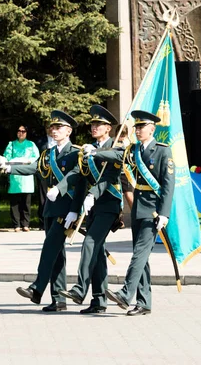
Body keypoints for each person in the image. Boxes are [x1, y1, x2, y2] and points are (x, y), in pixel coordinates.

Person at [87, 110, 175, 316]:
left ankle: (126, 293)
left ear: (152, 129)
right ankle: (144, 303)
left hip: (153, 211)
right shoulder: (133, 150)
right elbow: (117, 154)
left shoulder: (163, 151)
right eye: (136, 127)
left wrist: (164, 213)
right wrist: (95, 152)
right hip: (137, 209)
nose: (137, 130)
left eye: (141, 127)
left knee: (139, 254)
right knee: (141, 257)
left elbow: (168, 185)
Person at [0, 110, 86, 312]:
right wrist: (9, 167)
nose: (54, 131)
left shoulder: (76, 153)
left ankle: (37, 289)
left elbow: (79, 181)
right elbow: (35, 168)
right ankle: (58, 299)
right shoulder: (48, 153)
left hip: (66, 210)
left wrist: (74, 210)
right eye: (52, 128)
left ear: (69, 131)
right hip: (50, 209)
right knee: (57, 255)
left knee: (49, 248)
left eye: (59, 128)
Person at [47, 105, 123, 314]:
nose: (94, 127)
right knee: (97, 253)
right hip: (91, 206)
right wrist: (70, 199)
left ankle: (80, 289)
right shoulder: (87, 148)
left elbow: (109, 177)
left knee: (90, 243)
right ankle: (99, 300)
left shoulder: (116, 146)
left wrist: (93, 194)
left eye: (99, 124)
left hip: (108, 204)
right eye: (92, 124)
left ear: (108, 128)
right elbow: (78, 176)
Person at [2, 125, 40, 232]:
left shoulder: (31, 144)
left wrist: (28, 161)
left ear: (27, 133)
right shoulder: (11, 144)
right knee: (15, 202)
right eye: (19, 131)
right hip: (15, 176)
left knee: (26, 203)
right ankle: (16, 225)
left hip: (27, 176)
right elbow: (7, 157)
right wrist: (17, 160)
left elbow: (36, 157)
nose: (21, 133)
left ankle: (26, 224)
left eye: (23, 131)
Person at [35, 124, 55, 230]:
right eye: (48, 127)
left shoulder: (61, 142)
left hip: (56, 174)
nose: (51, 130)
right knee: (43, 197)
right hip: (43, 173)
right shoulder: (40, 142)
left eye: (53, 127)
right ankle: (43, 221)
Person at [116, 124, 135, 210]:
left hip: (125, 173)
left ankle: (135, 213)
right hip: (115, 173)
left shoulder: (128, 143)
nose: (121, 137)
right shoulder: (113, 142)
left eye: (123, 135)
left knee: (128, 194)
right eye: (120, 135)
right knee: (116, 197)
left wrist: (126, 145)